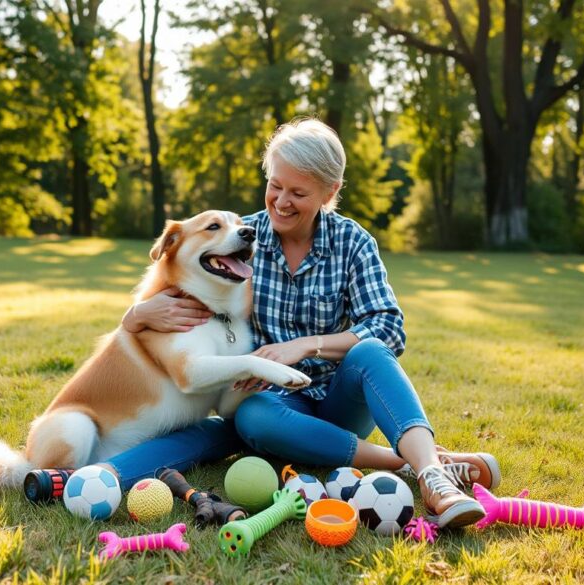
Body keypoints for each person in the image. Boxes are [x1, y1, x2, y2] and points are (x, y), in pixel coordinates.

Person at [39, 119, 500, 528]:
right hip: (275, 408)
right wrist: (135, 315)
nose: (280, 202)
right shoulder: (242, 239)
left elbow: (390, 327)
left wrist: (307, 345)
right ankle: (411, 462)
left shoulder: (353, 243)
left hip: (339, 399)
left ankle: (434, 477)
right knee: (252, 416)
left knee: (372, 351)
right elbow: (180, 278)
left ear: (329, 192)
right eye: (275, 185)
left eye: (298, 193)